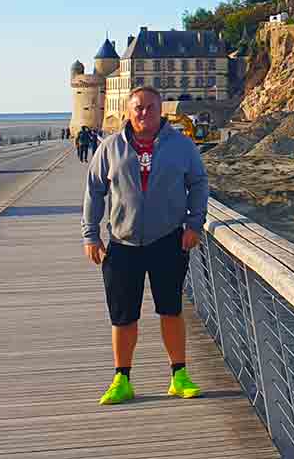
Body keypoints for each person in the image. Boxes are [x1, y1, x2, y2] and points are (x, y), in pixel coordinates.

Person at [83, 85, 207, 405]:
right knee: (123, 317)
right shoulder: (110, 147)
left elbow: (198, 182)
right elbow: (94, 191)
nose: (143, 113)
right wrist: (90, 234)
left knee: (171, 309)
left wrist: (194, 223)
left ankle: (179, 375)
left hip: (167, 239)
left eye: (150, 107)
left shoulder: (181, 146)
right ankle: (122, 379)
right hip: (122, 243)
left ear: (160, 110)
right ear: (128, 110)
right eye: (138, 107)